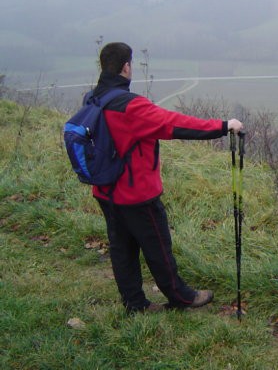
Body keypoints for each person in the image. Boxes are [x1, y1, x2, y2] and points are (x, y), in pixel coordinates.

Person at [90, 42, 243, 313]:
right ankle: (182, 298)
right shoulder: (130, 106)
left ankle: (135, 304)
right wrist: (222, 126)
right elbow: (173, 124)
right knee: (158, 246)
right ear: (126, 66)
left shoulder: (93, 99)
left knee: (121, 249)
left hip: (105, 190)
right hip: (136, 194)